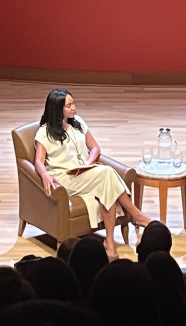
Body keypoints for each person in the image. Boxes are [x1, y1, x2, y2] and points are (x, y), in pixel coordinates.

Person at [34, 88, 152, 260]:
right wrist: (45, 175)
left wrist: (87, 164)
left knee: (106, 182)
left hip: (85, 172)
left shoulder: (78, 122)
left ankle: (110, 243)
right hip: (65, 178)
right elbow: (38, 160)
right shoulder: (44, 132)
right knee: (107, 174)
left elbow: (95, 148)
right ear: (57, 109)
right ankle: (136, 215)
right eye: (69, 105)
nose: (74, 108)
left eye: (73, 103)